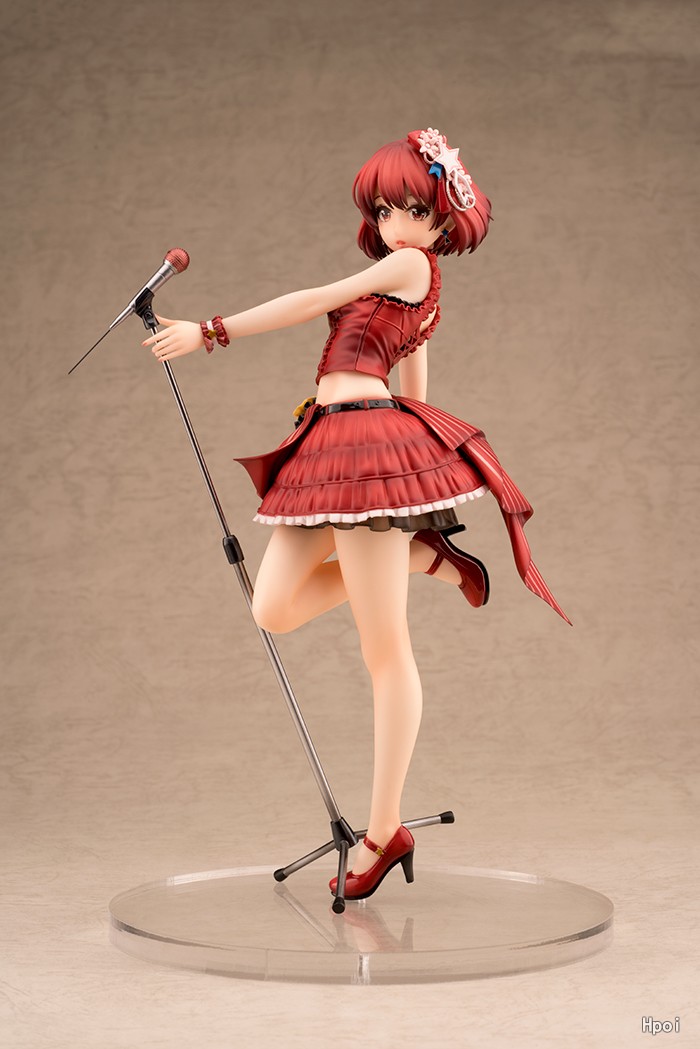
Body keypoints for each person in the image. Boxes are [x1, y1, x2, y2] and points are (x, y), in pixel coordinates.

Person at [143, 128, 570, 902]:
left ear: (443, 218)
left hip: (359, 447)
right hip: (328, 443)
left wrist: (209, 332)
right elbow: (416, 382)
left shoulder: (411, 265)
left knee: (385, 651)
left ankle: (384, 828)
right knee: (272, 607)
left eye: (413, 208)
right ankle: (425, 557)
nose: (395, 221)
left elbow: (316, 300)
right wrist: (409, 489)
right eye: (383, 208)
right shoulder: (410, 282)